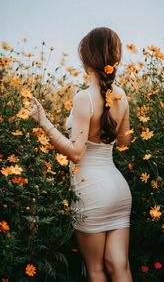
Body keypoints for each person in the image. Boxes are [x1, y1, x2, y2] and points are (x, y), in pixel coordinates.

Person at [29, 27, 133, 282]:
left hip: (92, 190)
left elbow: (76, 153)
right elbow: (124, 143)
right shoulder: (121, 97)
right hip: (118, 189)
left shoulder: (83, 98)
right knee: (120, 266)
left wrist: (44, 122)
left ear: (86, 59)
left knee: (96, 269)